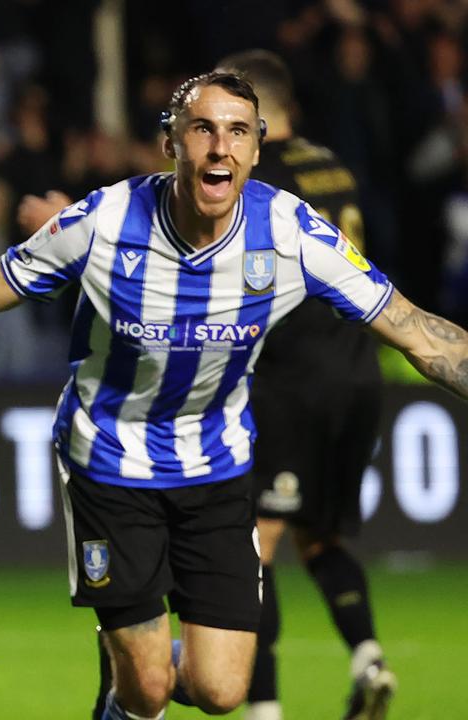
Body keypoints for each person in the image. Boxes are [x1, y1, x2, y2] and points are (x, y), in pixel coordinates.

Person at [0, 71, 468, 719]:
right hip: (110, 467)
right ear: (171, 143)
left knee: (223, 691)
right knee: (148, 692)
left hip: (218, 470)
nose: (220, 145)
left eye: (238, 131)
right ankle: (132, 674)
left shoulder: (291, 234)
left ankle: (137, 662)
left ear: (258, 150)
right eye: (201, 128)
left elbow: (417, 332)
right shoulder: (104, 224)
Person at [216, 50, 396, 720]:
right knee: (322, 537)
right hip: (357, 372)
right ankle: (368, 656)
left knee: (253, 543)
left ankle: (265, 709)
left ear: (253, 114)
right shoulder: (333, 164)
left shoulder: (263, 183)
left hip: (292, 378)